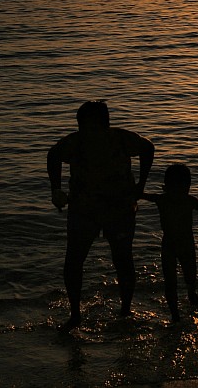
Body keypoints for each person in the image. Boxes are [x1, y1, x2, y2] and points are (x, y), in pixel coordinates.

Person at [47, 100, 154, 332]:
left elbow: (148, 148)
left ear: (105, 124)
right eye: (84, 125)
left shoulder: (120, 138)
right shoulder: (76, 142)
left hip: (120, 209)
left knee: (123, 259)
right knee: (74, 261)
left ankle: (125, 310)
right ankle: (75, 314)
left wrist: (141, 186)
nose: (88, 130)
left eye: (93, 125)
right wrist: (55, 188)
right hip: (84, 209)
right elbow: (53, 155)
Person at [142, 163, 198, 322]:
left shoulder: (190, 200)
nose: (180, 192)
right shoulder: (162, 199)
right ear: (167, 186)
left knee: (190, 275)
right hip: (169, 246)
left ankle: (191, 292)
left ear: (188, 187)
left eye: (184, 187)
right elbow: (142, 195)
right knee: (170, 282)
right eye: (176, 187)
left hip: (187, 245)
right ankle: (175, 314)